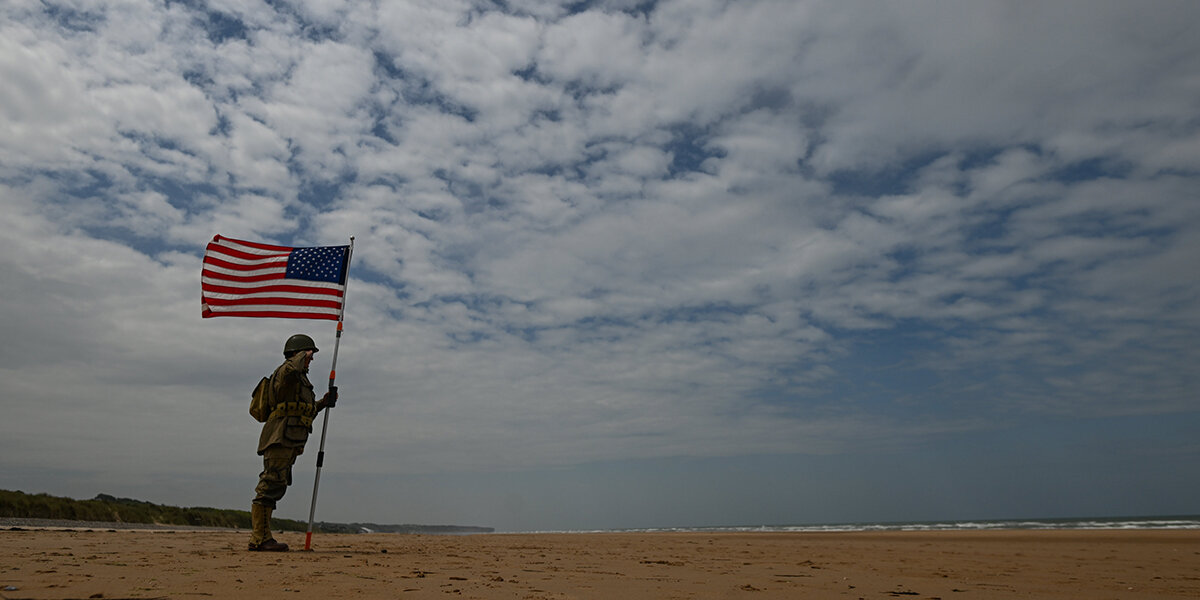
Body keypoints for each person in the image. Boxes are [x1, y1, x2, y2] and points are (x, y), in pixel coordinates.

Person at [248, 333, 338, 552]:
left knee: (277, 485)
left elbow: (300, 411)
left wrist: (322, 403)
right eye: (309, 354)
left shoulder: (300, 381)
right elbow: (291, 369)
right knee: (270, 484)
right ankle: (260, 539)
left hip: (290, 438)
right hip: (279, 437)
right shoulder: (286, 373)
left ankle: (263, 537)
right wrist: (300, 356)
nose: (311, 360)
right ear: (297, 354)